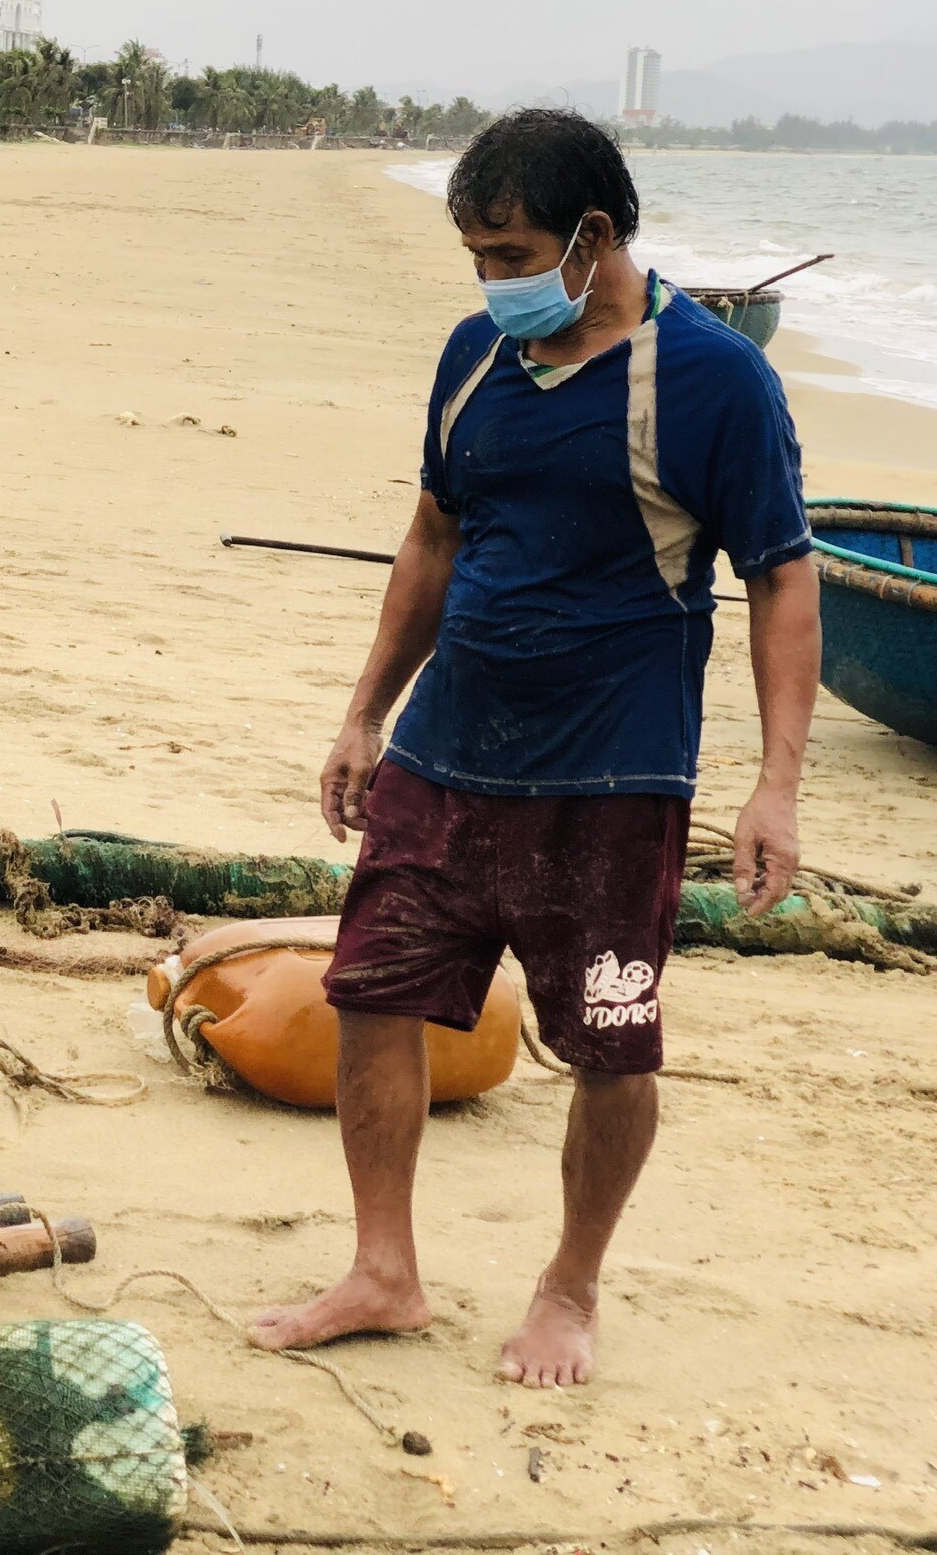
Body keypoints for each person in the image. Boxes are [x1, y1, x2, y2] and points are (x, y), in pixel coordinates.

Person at [249, 109, 819, 1386]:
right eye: (475, 257)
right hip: (447, 756)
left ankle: (569, 1288)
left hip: (612, 779)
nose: (492, 282)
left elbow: (783, 577)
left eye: (510, 253)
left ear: (594, 236)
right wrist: (365, 715)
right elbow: (432, 542)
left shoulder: (716, 381)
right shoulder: (472, 360)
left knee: (609, 1044)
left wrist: (774, 785)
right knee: (371, 997)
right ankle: (383, 1271)